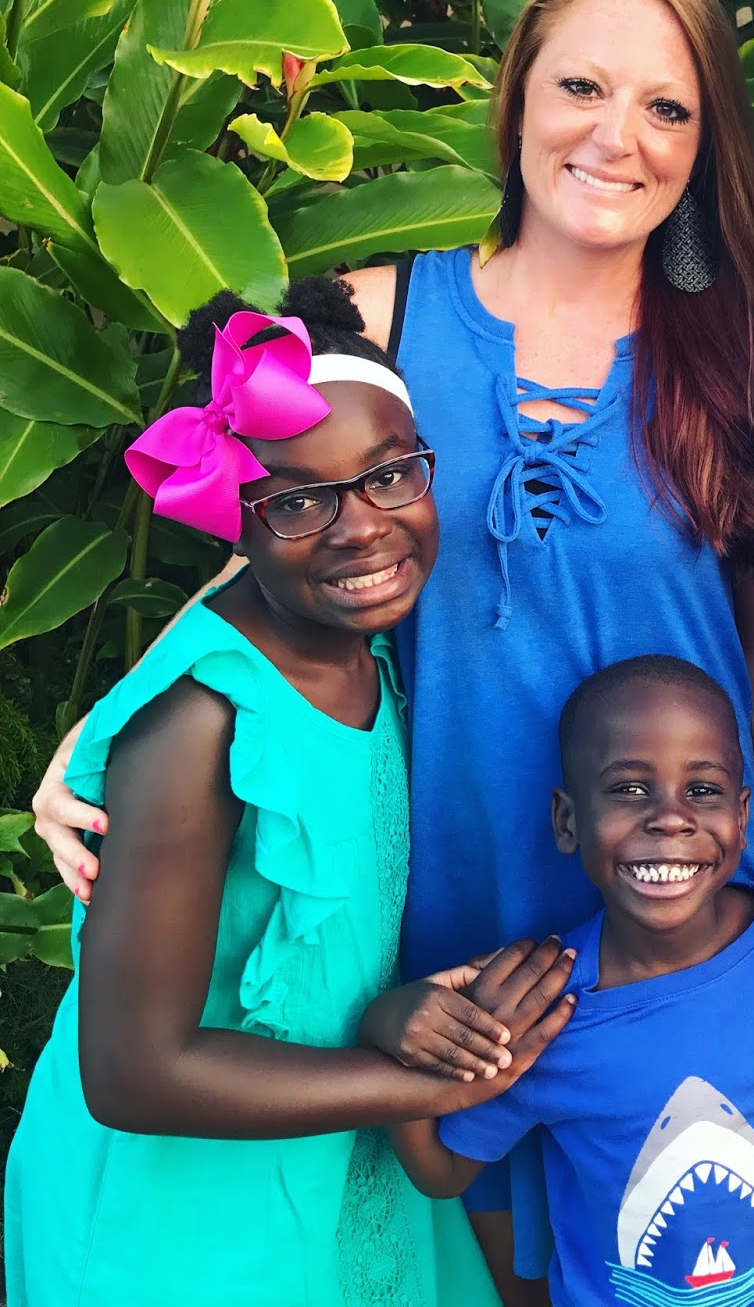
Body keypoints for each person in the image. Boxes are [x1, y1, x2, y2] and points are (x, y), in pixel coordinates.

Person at [31, 0, 754, 1304]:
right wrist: (110, 722)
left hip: (671, 893)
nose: (616, 137)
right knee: (470, 1244)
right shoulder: (383, 316)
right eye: (582, 87)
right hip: (449, 873)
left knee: (674, 1246)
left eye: (666, 107)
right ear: (518, 94)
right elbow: (272, 542)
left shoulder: (737, 360)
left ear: (705, 141)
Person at [5, 280, 576, 1307]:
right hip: (177, 1223)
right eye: (300, 501)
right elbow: (133, 1071)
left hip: (326, 1159)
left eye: (389, 475)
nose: (362, 528)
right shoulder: (203, 725)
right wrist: (431, 1085)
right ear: (239, 518)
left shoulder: (369, 654)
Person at [388, 655, 754, 1307]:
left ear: (742, 815)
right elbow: (444, 1172)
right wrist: (400, 1035)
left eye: (701, 790)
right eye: (628, 789)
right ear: (567, 820)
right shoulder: (540, 1006)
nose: (670, 818)